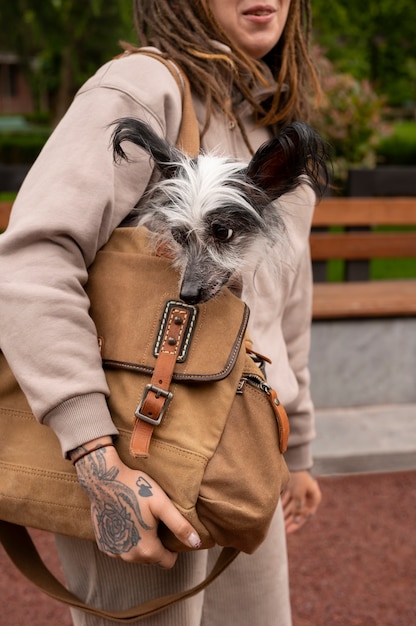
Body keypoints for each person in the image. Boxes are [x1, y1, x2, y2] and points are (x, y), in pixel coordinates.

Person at [0, 0, 323, 624]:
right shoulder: (142, 89)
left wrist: (298, 448)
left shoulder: (272, 129)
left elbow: (285, 300)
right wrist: (98, 462)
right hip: (137, 454)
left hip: (245, 449)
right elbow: (31, 260)